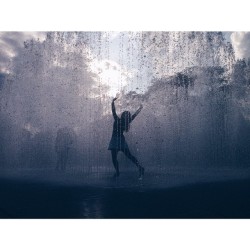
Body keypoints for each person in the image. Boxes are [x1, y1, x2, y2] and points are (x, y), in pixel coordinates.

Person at [108, 97, 144, 179]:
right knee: (124, 156)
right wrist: (112, 102)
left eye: (126, 115)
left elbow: (134, 115)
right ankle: (118, 172)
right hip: (118, 140)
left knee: (119, 157)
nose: (126, 116)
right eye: (125, 114)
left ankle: (119, 172)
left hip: (117, 140)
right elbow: (114, 111)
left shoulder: (120, 120)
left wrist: (112, 102)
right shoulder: (122, 120)